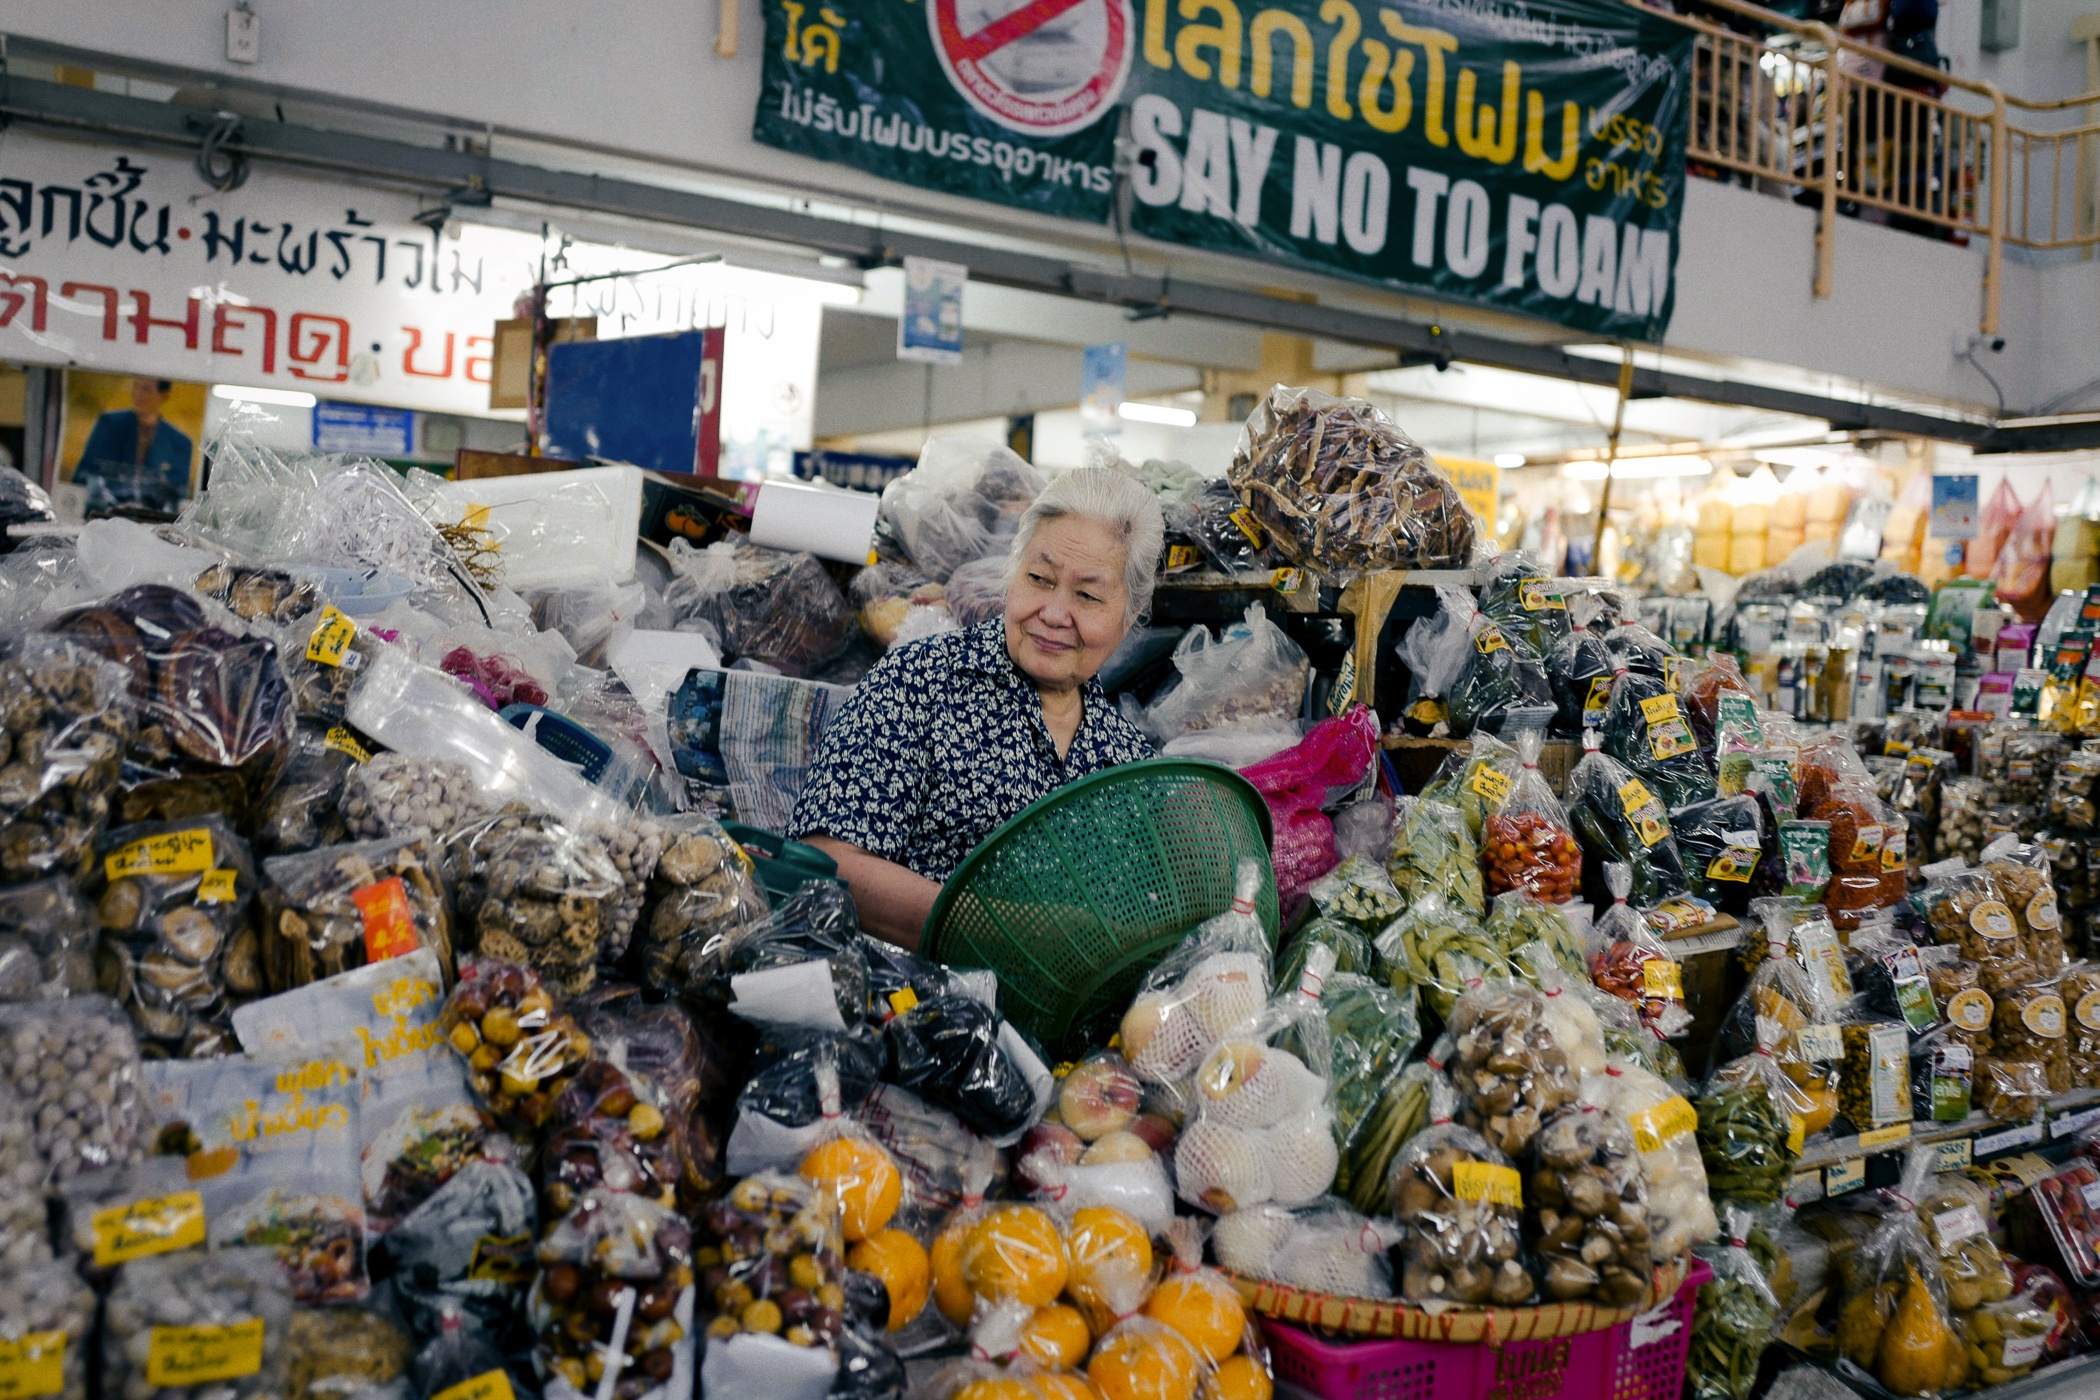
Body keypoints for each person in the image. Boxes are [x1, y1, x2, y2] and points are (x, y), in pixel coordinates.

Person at [789, 467, 1164, 949]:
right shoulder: (918, 685)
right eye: (1039, 579)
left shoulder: (1129, 764)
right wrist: (1009, 932)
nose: (1053, 614)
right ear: (1011, 575)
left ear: (1129, 616)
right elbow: (825, 861)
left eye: (1087, 595)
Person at [73, 378, 194, 515]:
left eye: (146, 389)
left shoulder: (180, 443)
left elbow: (177, 492)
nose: (138, 394)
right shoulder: (109, 425)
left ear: (164, 395)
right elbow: (85, 473)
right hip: (104, 516)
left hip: (152, 524)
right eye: (136, 387)